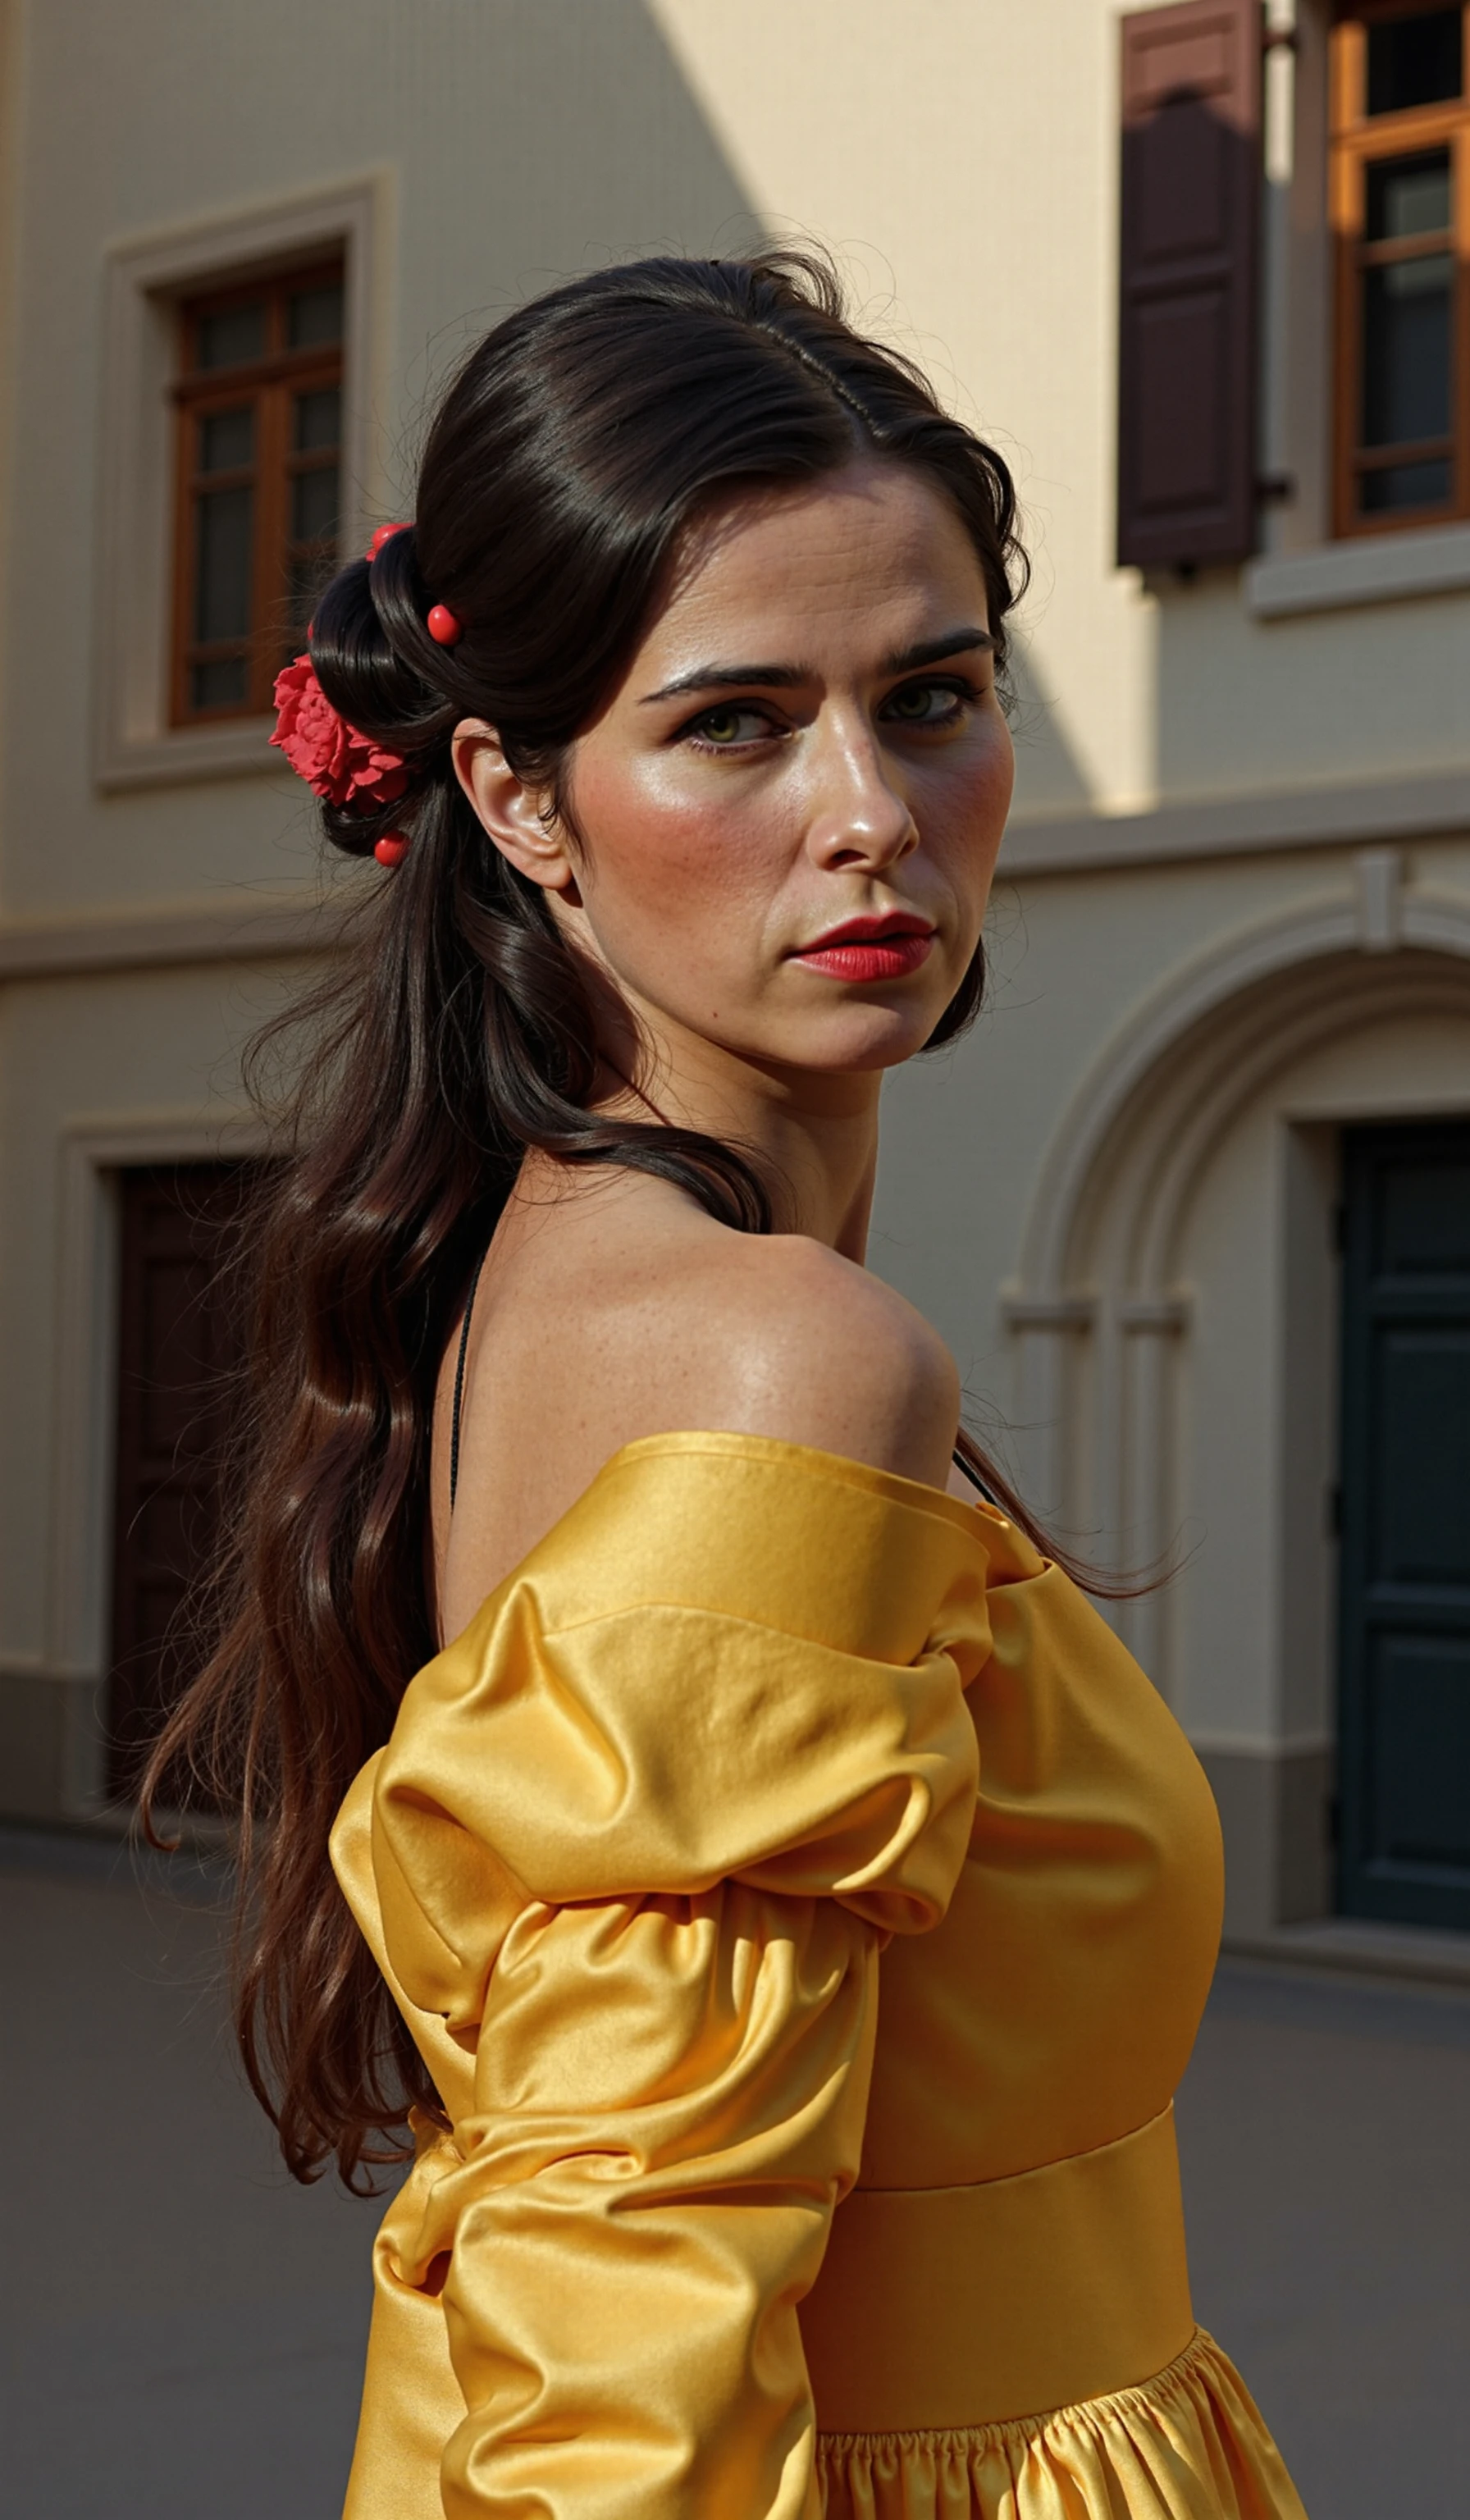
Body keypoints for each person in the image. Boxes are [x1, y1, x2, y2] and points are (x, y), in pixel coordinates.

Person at [146, 252, 1308, 2520]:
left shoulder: (522, 1290)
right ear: (518, 795)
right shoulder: (786, 1357)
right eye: (738, 723)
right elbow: (618, 2321)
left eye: (939, 696)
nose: (871, 811)